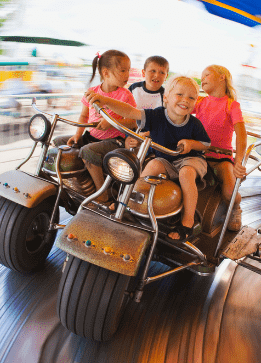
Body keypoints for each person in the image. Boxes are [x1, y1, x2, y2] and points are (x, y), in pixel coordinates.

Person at [85, 76, 211, 241]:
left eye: (191, 97)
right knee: (151, 166)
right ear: (166, 97)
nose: (185, 100)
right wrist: (106, 101)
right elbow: (131, 111)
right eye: (179, 94)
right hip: (167, 160)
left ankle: (188, 221)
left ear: (195, 102)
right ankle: (127, 202)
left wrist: (191, 144)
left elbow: (205, 144)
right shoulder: (156, 115)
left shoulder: (194, 124)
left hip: (190, 160)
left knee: (186, 173)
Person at [53, 50, 137, 205]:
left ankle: (102, 193)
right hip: (91, 136)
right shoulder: (92, 92)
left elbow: (133, 121)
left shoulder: (126, 95)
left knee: (87, 151)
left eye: (128, 70)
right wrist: (78, 134)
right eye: (123, 70)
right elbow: (84, 116)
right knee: (58, 141)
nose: (127, 75)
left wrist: (111, 122)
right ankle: (77, 181)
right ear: (105, 72)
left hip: (114, 140)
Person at [195, 65, 247, 232]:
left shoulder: (232, 105)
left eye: (207, 75)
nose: (202, 79)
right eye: (202, 76)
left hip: (221, 158)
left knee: (229, 192)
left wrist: (238, 161)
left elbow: (241, 135)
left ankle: (234, 208)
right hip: (198, 154)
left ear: (222, 77)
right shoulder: (200, 101)